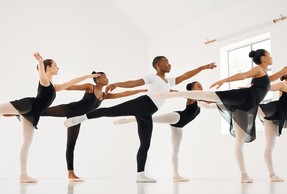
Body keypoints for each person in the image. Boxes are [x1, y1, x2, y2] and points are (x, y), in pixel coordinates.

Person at [156, 50, 287, 183]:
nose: (272, 58)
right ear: (263, 58)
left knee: (239, 139)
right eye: (269, 55)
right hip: (244, 97)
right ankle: (173, 95)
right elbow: (242, 75)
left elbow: (286, 68)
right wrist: (224, 80)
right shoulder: (259, 70)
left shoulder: (268, 77)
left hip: (249, 106)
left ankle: (243, 175)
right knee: (210, 95)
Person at [0, 52, 98, 183]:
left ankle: (23, 175)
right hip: (28, 105)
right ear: (48, 68)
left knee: (27, 142)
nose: (58, 67)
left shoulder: (54, 87)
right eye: (55, 65)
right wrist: (41, 62)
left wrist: (88, 76)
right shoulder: (44, 80)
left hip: (33, 114)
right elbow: (42, 74)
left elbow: (71, 81)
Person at [64, 56, 217, 183]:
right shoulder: (152, 77)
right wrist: (118, 84)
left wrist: (203, 67)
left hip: (147, 113)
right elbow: (134, 82)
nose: (170, 64)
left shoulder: (168, 82)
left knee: (145, 143)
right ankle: (79, 118)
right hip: (142, 104)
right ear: (158, 65)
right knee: (111, 111)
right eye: (166, 61)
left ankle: (140, 174)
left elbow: (186, 75)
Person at [40, 71, 147, 181]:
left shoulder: (104, 95)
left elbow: (122, 94)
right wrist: (54, 87)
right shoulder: (90, 87)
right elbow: (72, 87)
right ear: (98, 80)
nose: (107, 79)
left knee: (71, 144)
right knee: (43, 111)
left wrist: (141, 90)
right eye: (104, 77)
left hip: (76, 119)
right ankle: (23, 114)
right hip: (70, 108)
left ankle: (70, 174)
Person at [114, 81, 204, 182]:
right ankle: (128, 120)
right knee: (152, 119)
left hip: (180, 126)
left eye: (201, 86)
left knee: (175, 150)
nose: (201, 88)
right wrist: (166, 92)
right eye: (199, 86)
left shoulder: (201, 99)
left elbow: (212, 100)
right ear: (192, 89)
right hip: (177, 117)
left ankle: (176, 175)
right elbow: (178, 93)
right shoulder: (191, 96)